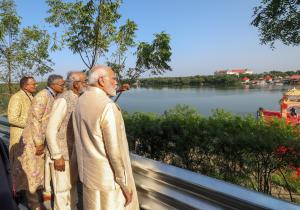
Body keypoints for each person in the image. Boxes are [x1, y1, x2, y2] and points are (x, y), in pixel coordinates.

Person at [73, 65, 139, 210]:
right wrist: (124, 184)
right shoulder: (107, 106)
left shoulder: (80, 101)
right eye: (114, 78)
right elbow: (114, 152)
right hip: (109, 182)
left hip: (88, 176)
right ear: (102, 81)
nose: (116, 82)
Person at [15, 75, 64, 210]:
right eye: (61, 84)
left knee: (37, 173)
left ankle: (36, 201)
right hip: (33, 141)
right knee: (32, 173)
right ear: (53, 84)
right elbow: (35, 119)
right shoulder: (43, 95)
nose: (63, 86)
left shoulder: (53, 95)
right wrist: (38, 143)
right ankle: (33, 204)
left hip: (40, 140)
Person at [45, 71, 87, 210]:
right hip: (61, 155)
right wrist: (57, 156)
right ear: (76, 84)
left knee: (72, 187)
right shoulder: (63, 100)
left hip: (73, 154)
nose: (86, 84)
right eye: (84, 82)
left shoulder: (79, 98)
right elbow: (50, 129)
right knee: (62, 191)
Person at [7, 76, 37, 200]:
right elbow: (12, 118)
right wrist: (31, 123)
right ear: (25, 86)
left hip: (28, 138)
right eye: (33, 84)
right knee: (16, 166)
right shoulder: (17, 97)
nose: (35, 86)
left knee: (25, 166)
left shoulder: (30, 96)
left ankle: (22, 190)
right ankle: (14, 194)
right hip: (19, 137)